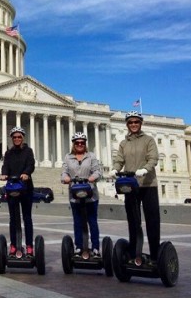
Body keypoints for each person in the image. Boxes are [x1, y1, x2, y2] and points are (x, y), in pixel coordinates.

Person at [109, 110, 160, 263]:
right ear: (127, 125)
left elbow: (154, 158)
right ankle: (134, 254)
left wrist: (145, 169)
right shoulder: (124, 143)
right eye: (130, 122)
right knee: (133, 221)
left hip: (148, 184)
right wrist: (115, 169)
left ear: (141, 123)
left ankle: (155, 255)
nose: (133, 125)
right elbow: (119, 159)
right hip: (131, 185)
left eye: (136, 122)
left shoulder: (148, 140)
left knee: (152, 220)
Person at [61, 132, 102, 256]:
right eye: (77, 142)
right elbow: (64, 171)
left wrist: (92, 178)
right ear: (73, 144)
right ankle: (79, 246)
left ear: (85, 144)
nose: (79, 144)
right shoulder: (68, 157)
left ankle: (95, 247)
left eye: (82, 143)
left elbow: (98, 171)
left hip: (91, 195)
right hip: (75, 195)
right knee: (77, 221)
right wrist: (66, 178)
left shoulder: (91, 156)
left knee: (92, 221)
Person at [0, 126, 35, 256]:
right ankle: (14, 245)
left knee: (27, 218)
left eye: (19, 136)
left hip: (26, 188)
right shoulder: (8, 153)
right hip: (12, 187)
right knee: (13, 218)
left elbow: (31, 164)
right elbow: (5, 166)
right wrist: (4, 174)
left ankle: (30, 245)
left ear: (23, 138)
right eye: (14, 137)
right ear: (11, 139)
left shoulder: (28, 151)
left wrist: (26, 173)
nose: (17, 139)